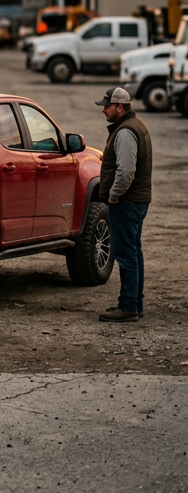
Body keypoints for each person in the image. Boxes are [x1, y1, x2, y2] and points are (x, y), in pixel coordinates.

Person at [96, 86, 151, 323]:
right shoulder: (136, 125)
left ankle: (128, 307)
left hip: (126, 202)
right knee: (134, 252)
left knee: (126, 254)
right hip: (137, 201)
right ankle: (134, 303)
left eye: (107, 106)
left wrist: (113, 195)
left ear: (120, 107)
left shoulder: (125, 131)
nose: (104, 110)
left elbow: (126, 171)